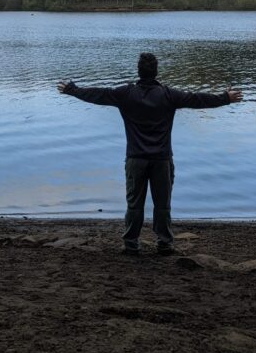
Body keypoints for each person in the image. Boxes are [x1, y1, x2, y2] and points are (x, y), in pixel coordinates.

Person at [57, 52, 242, 255]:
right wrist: (225, 98)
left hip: (136, 159)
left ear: (139, 71)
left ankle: (131, 244)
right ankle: (164, 244)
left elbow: (98, 95)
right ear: (155, 72)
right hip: (161, 159)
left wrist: (72, 90)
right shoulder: (168, 95)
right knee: (162, 205)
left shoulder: (125, 93)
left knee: (134, 205)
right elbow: (196, 99)